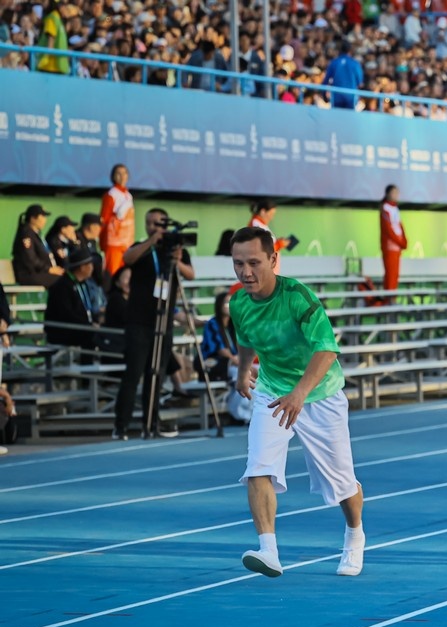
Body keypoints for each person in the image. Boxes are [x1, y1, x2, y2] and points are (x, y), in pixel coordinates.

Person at [228, 226, 366, 579]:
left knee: (341, 482)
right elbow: (245, 338)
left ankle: (354, 536)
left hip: (319, 394)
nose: (246, 272)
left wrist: (301, 393)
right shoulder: (240, 302)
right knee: (258, 467)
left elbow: (326, 348)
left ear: (273, 260)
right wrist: (244, 371)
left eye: (254, 263)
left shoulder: (298, 297)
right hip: (273, 392)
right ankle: (268, 550)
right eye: (238, 263)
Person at [112, 208, 195, 440]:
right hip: (139, 321)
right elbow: (127, 259)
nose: (153, 227)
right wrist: (151, 241)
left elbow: (191, 275)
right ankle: (121, 425)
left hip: (164, 322)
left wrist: (177, 262)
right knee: (134, 373)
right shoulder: (143, 247)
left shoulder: (176, 249)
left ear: (166, 224)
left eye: (158, 224)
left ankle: (151, 422)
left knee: (156, 374)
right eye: (149, 223)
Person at [44, 246, 101, 354]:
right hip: (62, 331)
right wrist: (88, 325)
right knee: (92, 335)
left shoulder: (82, 284)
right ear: (82, 267)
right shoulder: (62, 286)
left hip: (80, 327)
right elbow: (66, 314)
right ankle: (87, 368)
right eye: (90, 265)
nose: (92, 268)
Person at [11, 204, 63, 288]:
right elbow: (29, 258)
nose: (44, 220)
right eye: (42, 216)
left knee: (67, 277)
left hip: (38, 273)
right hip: (28, 275)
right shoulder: (26, 233)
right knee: (63, 281)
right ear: (33, 218)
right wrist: (49, 269)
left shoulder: (34, 233)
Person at [100, 164, 135, 276]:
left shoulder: (128, 196)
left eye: (124, 173)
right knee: (112, 273)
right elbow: (104, 219)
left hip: (127, 243)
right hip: (114, 244)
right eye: (118, 174)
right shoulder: (111, 194)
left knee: (125, 274)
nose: (122, 176)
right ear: (113, 176)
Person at [248, 200, 297, 273]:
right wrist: (280, 244)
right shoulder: (256, 224)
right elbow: (262, 248)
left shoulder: (261, 224)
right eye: (271, 214)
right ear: (263, 212)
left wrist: (279, 242)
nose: (271, 217)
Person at [379, 184, 408, 293]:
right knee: (390, 273)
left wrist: (404, 240)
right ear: (387, 194)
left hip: (397, 247)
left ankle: (393, 296)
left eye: (397, 192)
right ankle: (389, 298)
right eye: (394, 192)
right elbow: (388, 229)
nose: (396, 195)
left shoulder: (395, 208)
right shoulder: (385, 207)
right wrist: (400, 241)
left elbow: (399, 226)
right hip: (390, 246)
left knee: (395, 274)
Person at [324, 39, 364, 111]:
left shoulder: (334, 62)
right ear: (350, 50)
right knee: (348, 120)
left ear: (339, 50)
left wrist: (324, 95)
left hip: (337, 97)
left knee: (336, 120)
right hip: (350, 97)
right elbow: (360, 83)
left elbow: (326, 81)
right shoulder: (355, 64)